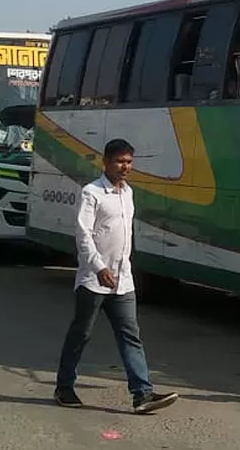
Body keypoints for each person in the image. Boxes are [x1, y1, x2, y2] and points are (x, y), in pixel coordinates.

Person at [53, 139, 178, 414]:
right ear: (106, 163)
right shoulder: (92, 193)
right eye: (120, 161)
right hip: (94, 280)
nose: (125, 167)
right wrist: (99, 267)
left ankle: (142, 394)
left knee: (130, 335)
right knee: (81, 334)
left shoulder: (128, 193)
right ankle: (64, 387)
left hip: (123, 281)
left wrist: (122, 270)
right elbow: (83, 234)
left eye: (129, 162)